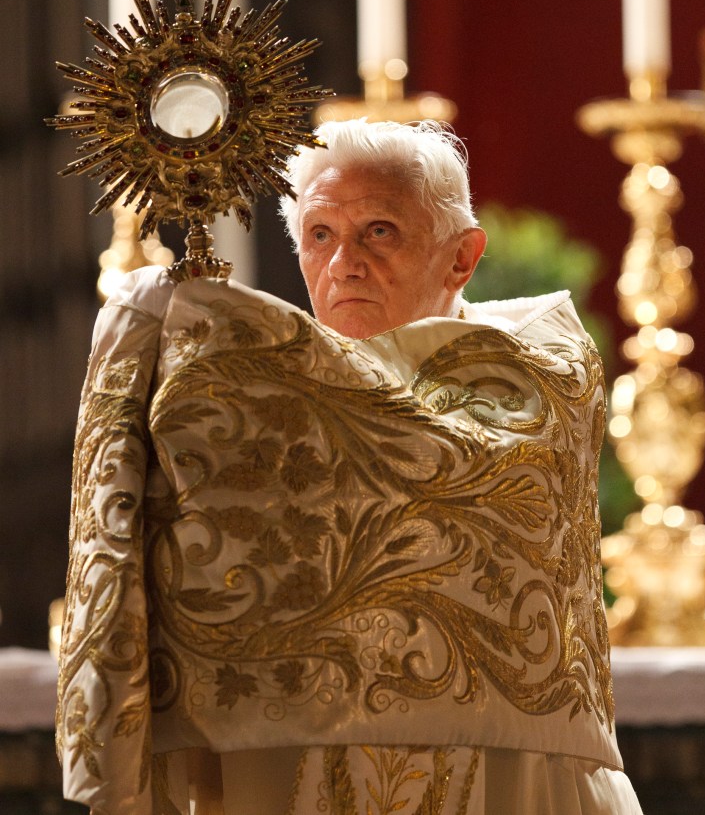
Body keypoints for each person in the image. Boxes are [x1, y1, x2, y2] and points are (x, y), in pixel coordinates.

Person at [56, 119, 643, 814]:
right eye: (320, 235)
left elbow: (407, 452)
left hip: (499, 776)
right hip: (278, 767)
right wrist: (166, 329)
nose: (344, 264)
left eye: (380, 231)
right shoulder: (257, 403)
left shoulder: (538, 380)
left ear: (461, 257)